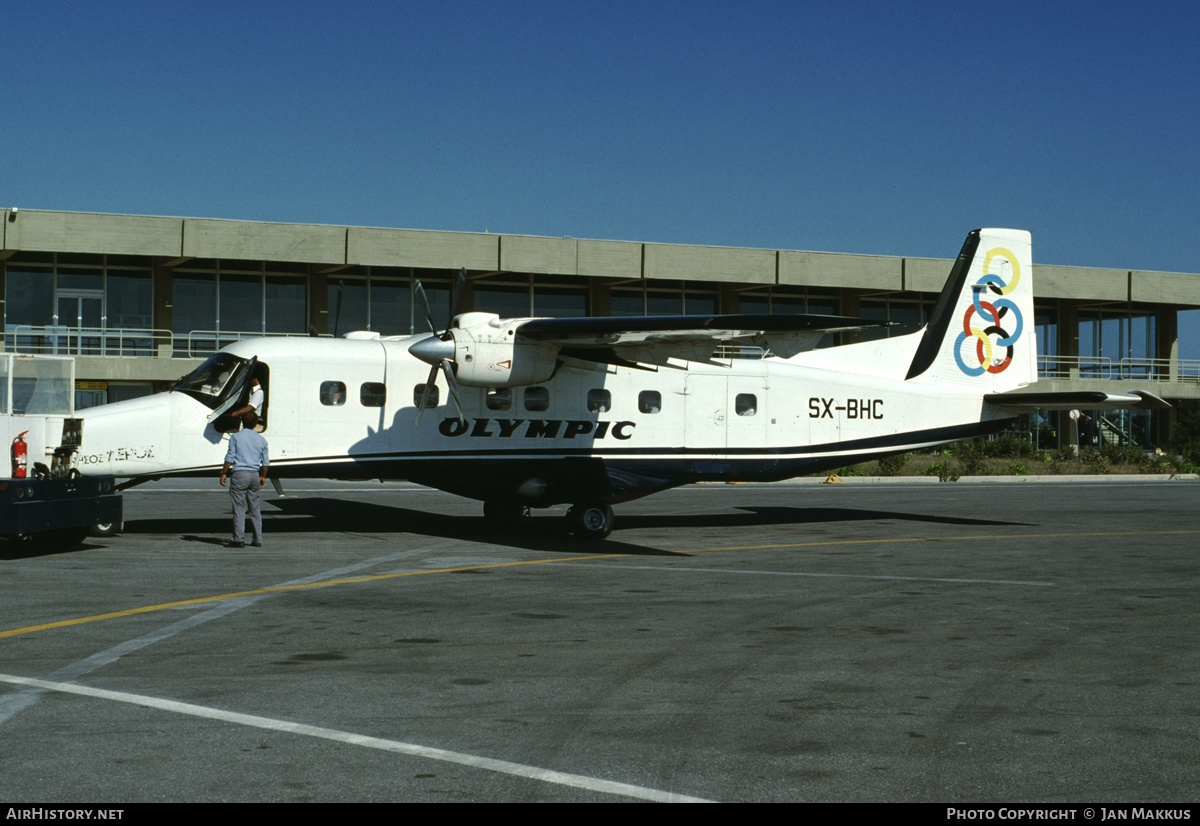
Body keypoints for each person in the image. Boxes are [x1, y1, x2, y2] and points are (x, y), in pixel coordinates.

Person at [220, 412, 269, 548]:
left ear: (242, 422)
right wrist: (263, 476)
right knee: (255, 509)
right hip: (254, 474)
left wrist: (224, 472)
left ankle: (239, 539)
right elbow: (265, 462)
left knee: (239, 508)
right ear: (255, 424)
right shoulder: (262, 440)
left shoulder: (236, 437)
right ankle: (257, 539)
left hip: (239, 474)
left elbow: (230, 456)